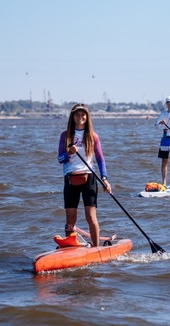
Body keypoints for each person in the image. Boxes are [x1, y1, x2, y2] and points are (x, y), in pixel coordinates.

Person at [57, 103, 112, 247]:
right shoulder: (65, 135)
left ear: (87, 117)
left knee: (90, 216)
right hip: (70, 178)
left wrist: (104, 178)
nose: (80, 117)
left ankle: (96, 248)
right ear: (73, 117)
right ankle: (69, 248)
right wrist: (68, 153)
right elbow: (60, 159)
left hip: (89, 178)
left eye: (83, 114)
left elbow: (100, 159)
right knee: (70, 219)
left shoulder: (93, 136)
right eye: (77, 114)